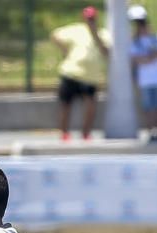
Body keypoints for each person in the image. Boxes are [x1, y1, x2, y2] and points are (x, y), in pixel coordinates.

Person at [51, 6, 111, 141]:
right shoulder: (76, 30)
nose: (90, 22)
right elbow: (55, 35)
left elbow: (106, 52)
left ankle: (86, 133)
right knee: (66, 105)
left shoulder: (103, 34)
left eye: (92, 19)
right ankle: (64, 134)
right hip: (71, 74)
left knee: (90, 106)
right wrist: (65, 50)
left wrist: (95, 34)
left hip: (90, 77)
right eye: (88, 19)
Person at [128, 5, 157, 143]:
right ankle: (151, 132)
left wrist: (150, 56)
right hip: (145, 80)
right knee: (148, 108)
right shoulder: (134, 42)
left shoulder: (155, 39)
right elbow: (138, 60)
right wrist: (151, 56)